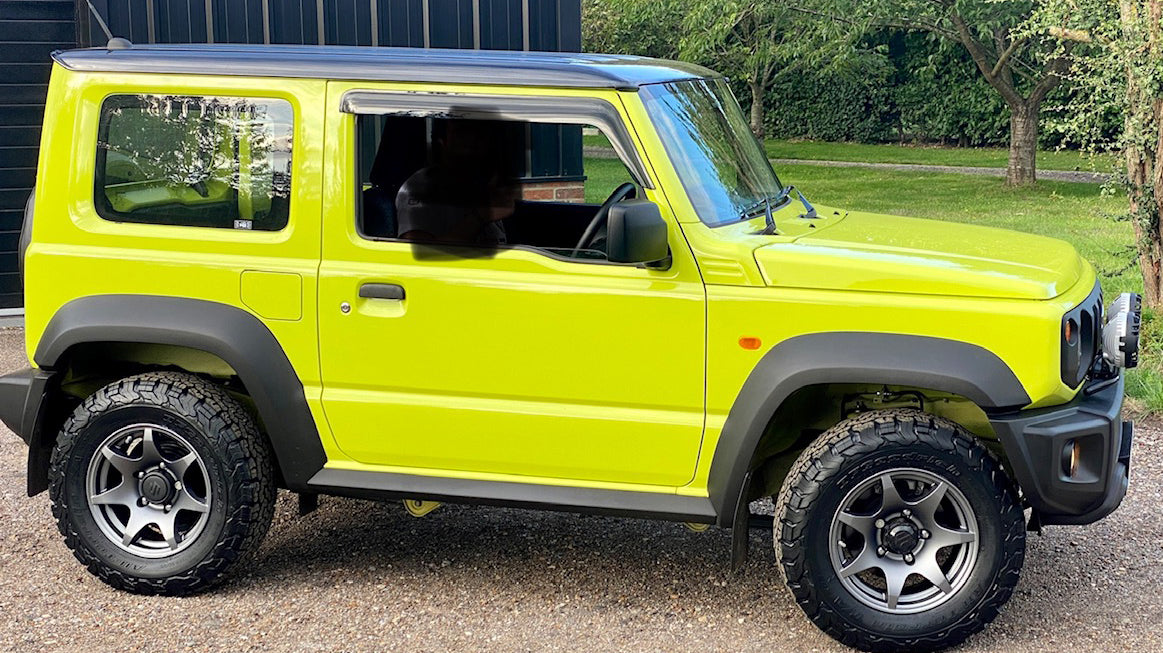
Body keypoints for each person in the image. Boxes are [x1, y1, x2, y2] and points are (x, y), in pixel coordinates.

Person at [395, 118, 517, 246]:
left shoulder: (482, 185)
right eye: (461, 134)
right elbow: (416, 252)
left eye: (480, 135)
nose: (472, 141)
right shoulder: (419, 188)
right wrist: (481, 216)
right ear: (442, 144)